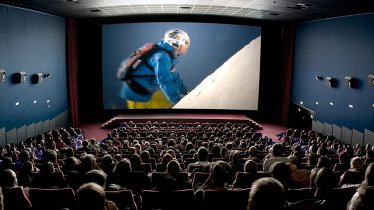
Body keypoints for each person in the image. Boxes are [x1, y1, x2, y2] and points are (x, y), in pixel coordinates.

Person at [117, 29, 190, 109]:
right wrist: (178, 101)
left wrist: (185, 91)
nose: (184, 50)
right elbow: (165, 81)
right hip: (135, 96)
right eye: (183, 46)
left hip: (147, 92)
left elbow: (174, 76)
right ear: (175, 43)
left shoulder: (166, 55)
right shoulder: (161, 57)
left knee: (169, 104)